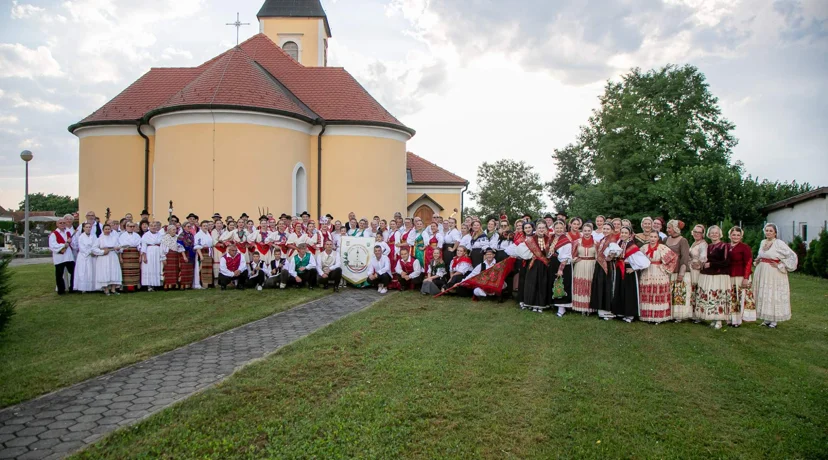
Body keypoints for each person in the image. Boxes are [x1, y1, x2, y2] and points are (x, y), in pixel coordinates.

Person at [753, 223, 798, 328]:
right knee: (764, 293)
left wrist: (780, 265)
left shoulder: (779, 243)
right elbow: (762, 254)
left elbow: (792, 256)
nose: (768, 232)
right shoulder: (763, 242)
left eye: (770, 231)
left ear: (775, 233)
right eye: (767, 230)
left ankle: (774, 320)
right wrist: (758, 259)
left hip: (774, 272)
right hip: (762, 271)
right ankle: (766, 319)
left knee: (773, 293)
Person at [610, 226, 650, 323]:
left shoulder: (632, 246)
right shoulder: (618, 243)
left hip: (628, 271)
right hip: (620, 269)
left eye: (625, 233)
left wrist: (634, 268)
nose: (623, 234)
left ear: (630, 235)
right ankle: (620, 312)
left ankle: (630, 314)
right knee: (619, 290)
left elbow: (645, 262)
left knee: (629, 292)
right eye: (622, 232)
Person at [638, 230, 678, 324]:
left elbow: (673, 257)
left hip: (659, 272)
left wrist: (665, 268)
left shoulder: (662, 248)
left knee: (657, 292)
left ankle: (659, 317)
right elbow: (638, 258)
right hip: (647, 271)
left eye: (655, 237)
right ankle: (647, 315)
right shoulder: (643, 248)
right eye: (651, 237)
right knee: (647, 291)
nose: (652, 239)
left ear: (658, 238)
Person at [696, 225, 731, 329]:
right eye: (712, 233)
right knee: (710, 296)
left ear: (720, 234)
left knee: (718, 297)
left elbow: (726, 262)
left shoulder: (724, 246)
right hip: (708, 274)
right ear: (709, 234)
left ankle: (719, 320)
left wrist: (711, 264)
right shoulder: (709, 246)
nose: (714, 235)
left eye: (716, 233)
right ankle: (713, 318)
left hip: (719, 275)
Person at [512, 221, 551, 313]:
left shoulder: (549, 239)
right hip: (534, 264)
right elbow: (520, 250)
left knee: (542, 284)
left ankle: (541, 304)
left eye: (543, 228)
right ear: (536, 229)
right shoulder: (531, 240)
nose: (541, 229)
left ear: (546, 229)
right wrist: (531, 255)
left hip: (544, 265)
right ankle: (531, 303)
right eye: (539, 228)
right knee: (532, 284)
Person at [591, 223, 621, 320]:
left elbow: (615, 251)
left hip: (607, 266)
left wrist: (611, 256)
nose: (605, 230)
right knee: (601, 285)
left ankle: (607, 310)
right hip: (600, 265)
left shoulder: (612, 239)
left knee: (606, 285)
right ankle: (601, 309)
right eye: (604, 228)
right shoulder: (604, 239)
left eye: (608, 229)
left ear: (612, 230)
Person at [665, 220, 692, 322]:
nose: (667, 230)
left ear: (675, 228)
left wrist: (681, 272)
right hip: (669, 270)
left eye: (669, 228)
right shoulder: (666, 239)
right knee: (670, 293)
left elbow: (685, 257)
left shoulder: (683, 240)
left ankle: (679, 315)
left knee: (679, 293)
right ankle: (670, 314)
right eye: (667, 228)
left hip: (679, 270)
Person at [728, 226, 755, 327]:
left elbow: (748, 262)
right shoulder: (727, 246)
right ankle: (730, 318)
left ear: (741, 236)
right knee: (731, 297)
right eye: (733, 235)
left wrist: (746, 277)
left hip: (740, 275)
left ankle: (738, 320)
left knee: (739, 297)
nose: (735, 237)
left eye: (738, 235)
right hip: (729, 275)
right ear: (730, 235)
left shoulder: (745, 247)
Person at [571, 223, 597, 315]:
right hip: (580, 265)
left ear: (591, 231)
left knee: (590, 284)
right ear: (582, 231)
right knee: (580, 284)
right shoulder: (577, 242)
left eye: (589, 231)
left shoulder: (596, 242)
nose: (587, 232)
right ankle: (580, 307)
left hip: (591, 265)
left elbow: (598, 256)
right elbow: (572, 254)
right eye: (585, 231)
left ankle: (590, 308)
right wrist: (574, 260)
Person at [549, 221, 574, 317]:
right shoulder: (553, 238)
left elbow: (565, 257)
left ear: (564, 229)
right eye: (557, 228)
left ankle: (562, 308)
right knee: (554, 284)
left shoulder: (565, 240)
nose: (559, 230)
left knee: (561, 284)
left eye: (561, 228)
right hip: (554, 263)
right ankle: (555, 304)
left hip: (563, 265)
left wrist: (561, 269)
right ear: (554, 229)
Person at [94, 223, 122, 295]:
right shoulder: (99, 239)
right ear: (103, 230)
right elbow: (93, 249)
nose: (107, 230)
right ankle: (106, 289)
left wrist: (118, 249)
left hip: (113, 256)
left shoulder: (114, 238)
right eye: (106, 229)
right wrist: (103, 251)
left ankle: (113, 289)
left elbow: (119, 247)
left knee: (113, 271)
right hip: (104, 257)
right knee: (104, 272)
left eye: (109, 229)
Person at [50, 218, 76, 295]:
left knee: (73, 272)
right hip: (59, 257)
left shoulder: (68, 233)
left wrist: (71, 242)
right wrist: (64, 245)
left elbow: (74, 245)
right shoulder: (53, 234)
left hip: (68, 256)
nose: (62, 224)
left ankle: (72, 288)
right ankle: (61, 290)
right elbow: (53, 246)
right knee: (59, 274)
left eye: (64, 223)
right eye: (60, 223)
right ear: (57, 224)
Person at [688, 224, 708, 323]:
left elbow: (703, 257)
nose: (696, 234)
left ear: (703, 234)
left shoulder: (703, 244)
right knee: (692, 291)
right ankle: (692, 313)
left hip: (696, 270)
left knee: (696, 290)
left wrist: (699, 265)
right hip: (691, 268)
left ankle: (698, 315)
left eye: (699, 232)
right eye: (695, 231)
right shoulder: (695, 243)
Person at [73, 223, 98, 293]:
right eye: (86, 227)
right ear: (83, 228)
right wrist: (90, 252)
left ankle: (92, 287)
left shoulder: (94, 236)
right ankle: (83, 287)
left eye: (89, 227)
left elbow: (96, 245)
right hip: (84, 256)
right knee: (83, 272)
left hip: (92, 256)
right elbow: (81, 248)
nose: (88, 228)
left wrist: (94, 251)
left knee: (92, 271)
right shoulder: (81, 237)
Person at [118, 221, 142, 292]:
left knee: (134, 271)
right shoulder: (122, 235)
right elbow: (120, 247)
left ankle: (135, 286)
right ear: (126, 227)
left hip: (135, 254)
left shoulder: (137, 235)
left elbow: (139, 246)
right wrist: (120, 257)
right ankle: (126, 287)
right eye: (130, 226)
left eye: (133, 226)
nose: (131, 228)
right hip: (126, 255)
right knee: (126, 272)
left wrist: (140, 256)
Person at [140, 221, 164, 292]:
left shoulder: (160, 234)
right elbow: (143, 246)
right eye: (152, 226)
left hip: (157, 252)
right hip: (149, 252)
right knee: (149, 267)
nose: (153, 227)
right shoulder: (146, 235)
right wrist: (144, 256)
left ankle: (156, 284)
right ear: (149, 227)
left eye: (155, 226)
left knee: (156, 267)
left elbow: (162, 244)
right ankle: (149, 285)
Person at [161, 224, 185, 290]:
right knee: (168, 271)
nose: (175, 231)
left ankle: (175, 285)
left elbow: (180, 247)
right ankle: (167, 285)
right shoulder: (164, 238)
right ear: (169, 230)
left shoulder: (177, 237)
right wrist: (163, 258)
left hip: (176, 256)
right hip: (168, 256)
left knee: (176, 270)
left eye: (175, 229)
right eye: (173, 229)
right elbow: (162, 249)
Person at [194, 220, 214, 289]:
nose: (205, 227)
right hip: (202, 252)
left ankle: (207, 285)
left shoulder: (208, 234)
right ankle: (201, 284)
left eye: (207, 226)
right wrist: (201, 256)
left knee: (207, 269)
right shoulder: (198, 235)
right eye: (204, 226)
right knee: (202, 269)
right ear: (201, 227)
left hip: (208, 253)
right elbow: (197, 246)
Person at [177, 222, 197, 290]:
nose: (189, 228)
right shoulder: (181, 235)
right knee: (184, 270)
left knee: (190, 270)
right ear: (184, 227)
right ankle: (183, 285)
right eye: (188, 226)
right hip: (184, 253)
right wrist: (184, 256)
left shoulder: (191, 235)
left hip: (191, 253)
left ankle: (189, 285)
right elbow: (180, 246)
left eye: (190, 226)